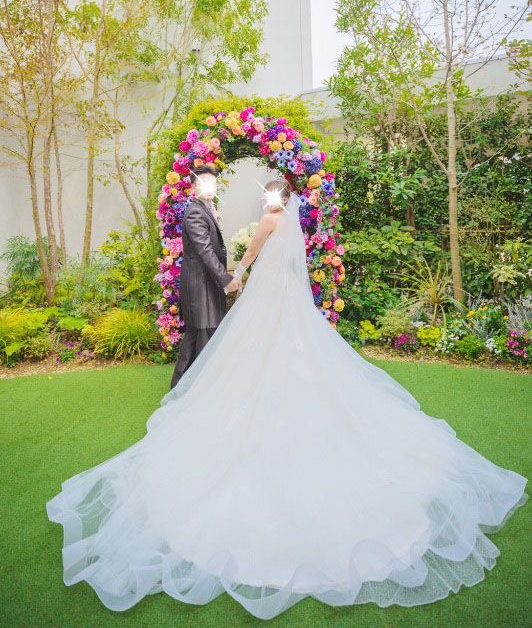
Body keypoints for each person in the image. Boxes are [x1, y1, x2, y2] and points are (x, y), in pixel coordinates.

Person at [45, 181, 528, 621]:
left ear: (273, 198)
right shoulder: (291, 224)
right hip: (289, 299)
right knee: (293, 359)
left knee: (253, 356)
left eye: (266, 195)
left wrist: (236, 273)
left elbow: (252, 254)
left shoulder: (268, 221)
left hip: (266, 300)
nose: (264, 199)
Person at [170, 164, 241, 389]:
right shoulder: (195, 213)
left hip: (205, 284)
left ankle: (181, 388)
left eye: (213, 183)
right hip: (201, 286)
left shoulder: (205, 208)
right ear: (193, 187)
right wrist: (226, 279)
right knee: (203, 339)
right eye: (204, 183)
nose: (210, 187)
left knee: (196, 338)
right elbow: (205, 251)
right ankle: (193, 390)